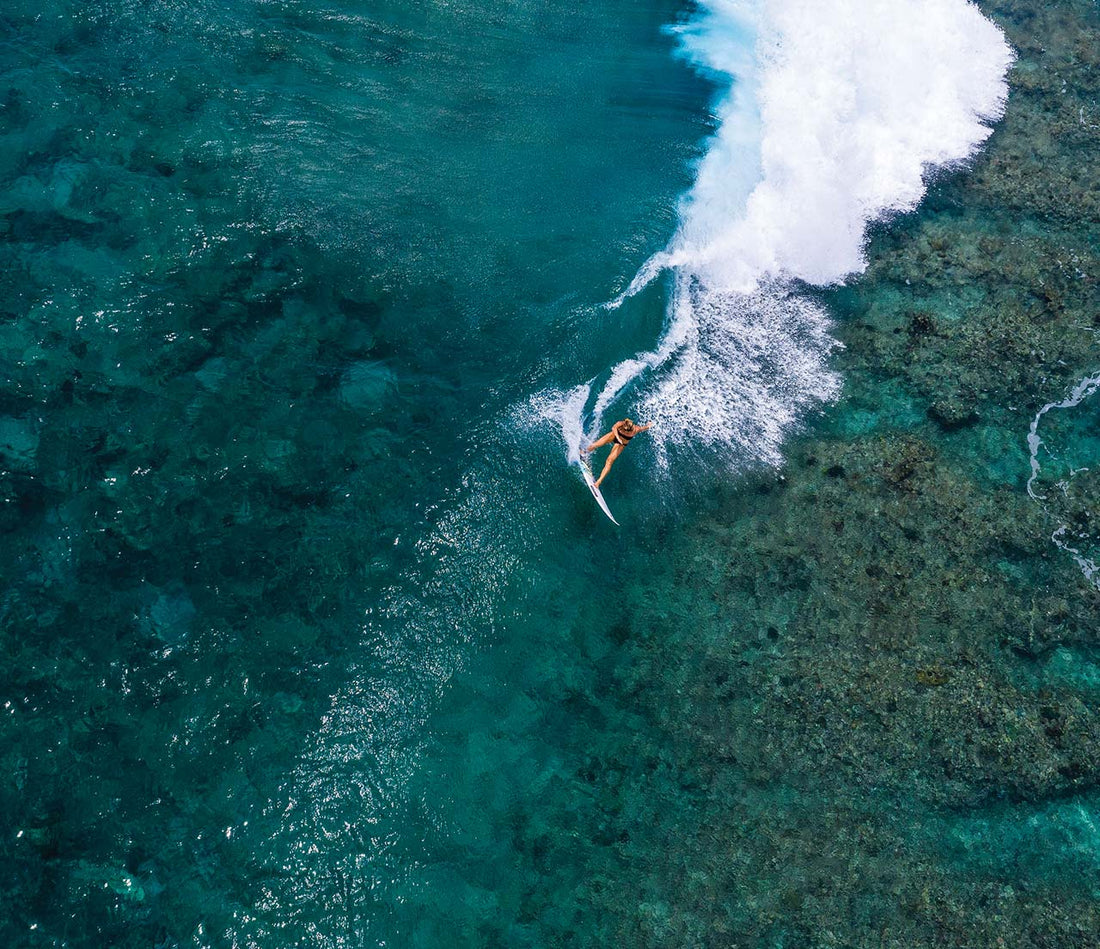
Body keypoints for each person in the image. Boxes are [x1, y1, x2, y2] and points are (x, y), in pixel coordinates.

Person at [584, 418, 651, 489]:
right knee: (595, 445)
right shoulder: (620, 423)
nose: (627, 432)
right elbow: (614, 427)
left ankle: (598, 482)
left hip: (622, 444)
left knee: (609, 461)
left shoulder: (635, 429)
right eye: (625, 430)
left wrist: (649, 425)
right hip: (613, 436)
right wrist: (618, 437)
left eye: (628, 431)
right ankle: (584, 453)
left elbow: (643, 428)